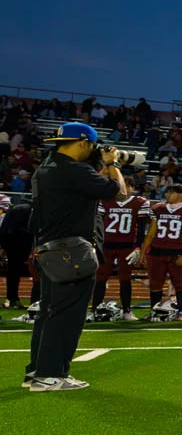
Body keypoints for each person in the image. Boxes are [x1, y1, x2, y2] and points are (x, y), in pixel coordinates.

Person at [27, 122, 127, 390]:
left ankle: (36, 370)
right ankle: (49, 375)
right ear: (83, 143)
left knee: (48, 312)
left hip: (48, 248)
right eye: (92, 146)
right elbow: (119, 192)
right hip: (70, 253)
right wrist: (114, 163)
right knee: (67, 315)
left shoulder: (46, 168)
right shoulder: (74, 170)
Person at [141, 183, 182, 320]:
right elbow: (151, 233)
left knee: (179, 284)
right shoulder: (158, 209)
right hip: (157, 251)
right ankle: (154, 311)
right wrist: (143, 252)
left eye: (171, 192)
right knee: (155, 284)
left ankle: (180, 312)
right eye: (167, 192)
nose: (167, 195)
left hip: (178, 251)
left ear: (180, 195)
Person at [93, 178, 151, 320]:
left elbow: (142, 228)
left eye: (126, 187)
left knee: (125, 279)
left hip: (127, 246)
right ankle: (94, 309)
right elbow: (98, 225)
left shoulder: (140, 203)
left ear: (132, 188)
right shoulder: (104, 201)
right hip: (106, 245)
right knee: (100, 278)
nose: (122, 191)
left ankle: (126, 310)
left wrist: (138, 247)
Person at [2, 198, 36, 308]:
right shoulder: (31, 210)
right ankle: (35, 301)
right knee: (36, 271)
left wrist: (3, 245)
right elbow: (32, 228)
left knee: (13, 271)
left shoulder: (14, 209)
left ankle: (12, 299)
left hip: (10, 242)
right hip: (23, 242)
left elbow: (3, 228)